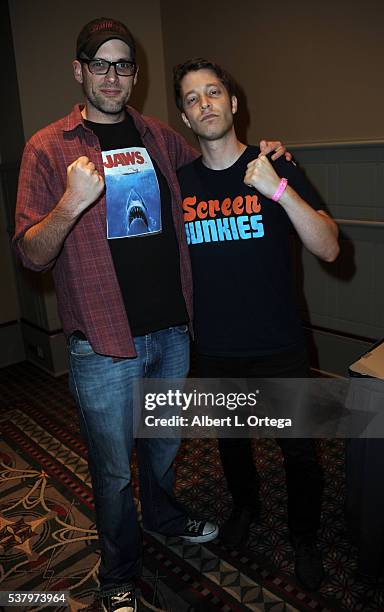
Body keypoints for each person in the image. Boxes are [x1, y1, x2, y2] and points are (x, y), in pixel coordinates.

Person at [13, 19, 286, 612]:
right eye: (101, 64)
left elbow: (218, 167)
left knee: (162, 448)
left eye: (124, 65)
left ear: (134, 76)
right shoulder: (47, 147)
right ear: (79, 70)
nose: (113, 76)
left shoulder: (161, 137)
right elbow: (31, 254)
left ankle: (162, 516)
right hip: (104, 345)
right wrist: (69, 203)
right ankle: (117, 575)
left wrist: (272, 156)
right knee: (113, 474)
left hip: (172, 334)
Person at [173, 58, 340, 592]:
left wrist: (278, 190)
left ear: (234, 102)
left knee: (298, 451)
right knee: (233, 443)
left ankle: (304, 537)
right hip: (217, 346)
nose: (206, 103)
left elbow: (331, 247)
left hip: (278, 344)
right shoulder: (180, 185)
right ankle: (246, 507)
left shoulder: (274, 166)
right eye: (194, 98)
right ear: (185, 117)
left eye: (214, 92)